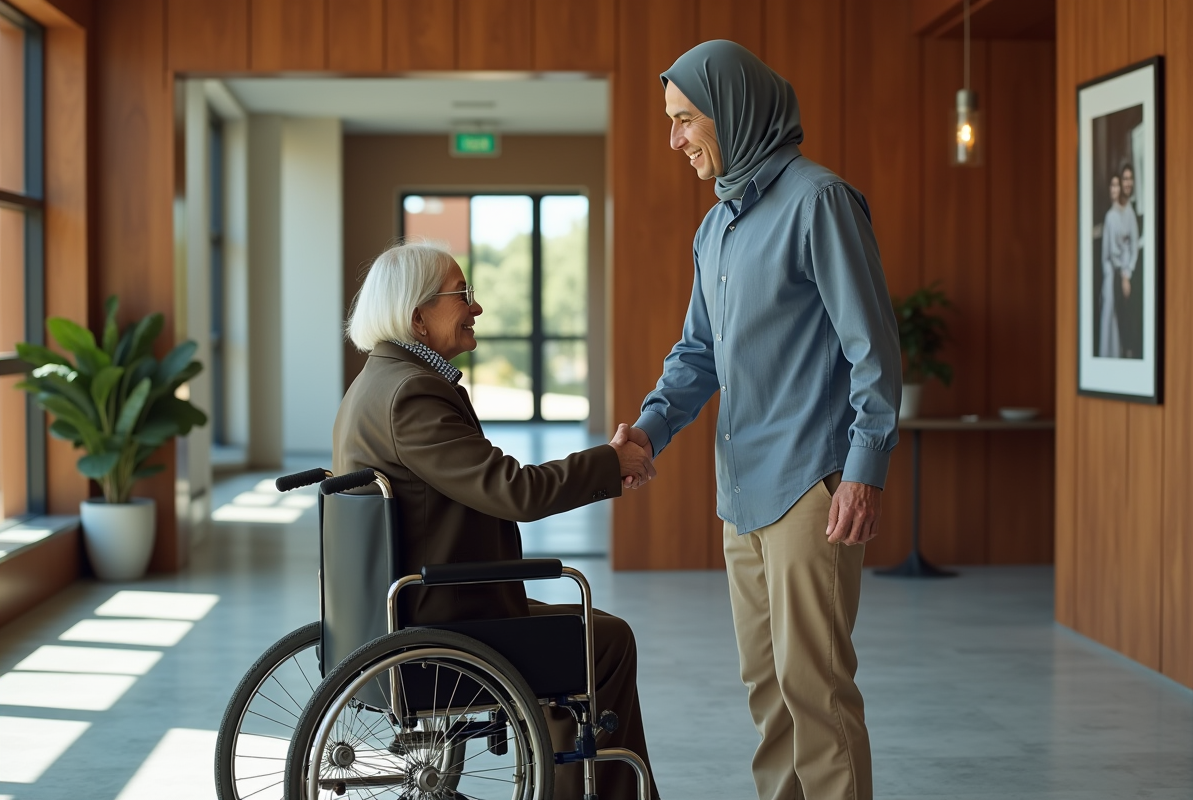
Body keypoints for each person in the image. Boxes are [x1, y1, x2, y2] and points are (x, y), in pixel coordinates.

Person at [619, 41, 901, 800]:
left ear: (733, 112)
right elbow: (697, 353)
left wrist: (864, 470)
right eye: (671, 123)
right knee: (769, 695)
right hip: (740, 494)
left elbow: (873, 350)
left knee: (816, 691)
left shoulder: (820, 202)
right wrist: (648, 429)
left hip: (812, 485)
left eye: (685, 120)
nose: (675, 139)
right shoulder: (715, 229)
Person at [335, 241, 660, 800]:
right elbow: (516, 492)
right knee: (604, 640)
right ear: (417, 315)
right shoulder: (412, 395)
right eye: (462, 295)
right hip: (445, 621)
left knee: (577, 637)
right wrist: (610, 463)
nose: (477, 307)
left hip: (404, 610)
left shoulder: (377, 382)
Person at [1111, 162, 1140, 358]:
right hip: (1122, 274)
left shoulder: (1132, 208)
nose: (1127, 183)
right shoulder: (1117, 211)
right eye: (1125, 179)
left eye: (1130, 179)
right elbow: (1121, 246)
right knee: (1123, 317)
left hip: (1131, 272)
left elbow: (1134, 243)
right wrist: (1124, 274)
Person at [1099, 173, 1123, 358]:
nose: (1115, 189)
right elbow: (1107, 251)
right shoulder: (1109, 216)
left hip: (1115, 272)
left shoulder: (1119, 215)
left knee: (1114, 317)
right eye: (1112, 185)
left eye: (1117, 185)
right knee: (1108, 316)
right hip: (1109, 274)